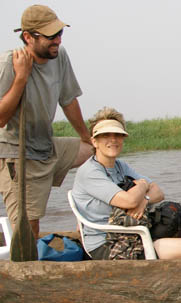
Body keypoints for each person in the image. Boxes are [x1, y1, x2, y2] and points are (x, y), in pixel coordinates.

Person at [0, 5, 92, 239]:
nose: (58, 41)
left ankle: (91, 226)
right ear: (28, 37)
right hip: (17, 155)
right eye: (51, 36)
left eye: (60, 34)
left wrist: (86, 136)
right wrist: (21, 78)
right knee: (29, 229)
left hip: (46, 146)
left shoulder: (59, 55)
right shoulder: (8, 65)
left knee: (98, 151)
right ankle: (27, 271)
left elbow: (68, 100)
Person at [72, 106, 181, 260]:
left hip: (130, 230)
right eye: (106, 135)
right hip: (107, 244)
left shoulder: (120, 166)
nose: (113, 140)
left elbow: (158, 192)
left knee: (176, 212)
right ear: (94, 141)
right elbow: (129, 201)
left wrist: (144, 200)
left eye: (118, 135)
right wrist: (142, 185)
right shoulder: (90, 172)